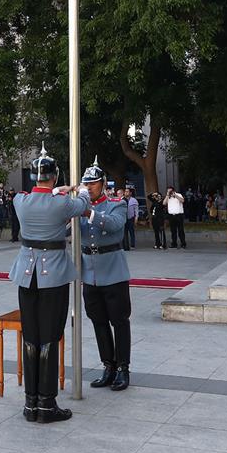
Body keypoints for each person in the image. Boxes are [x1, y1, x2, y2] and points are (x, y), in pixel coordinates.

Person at [10, 145, 89, 423]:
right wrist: (74, 190)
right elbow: (85, 205)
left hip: (26, 275)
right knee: (49, 338)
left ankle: (30, 402)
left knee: (30, 336)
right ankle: (47, 403)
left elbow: (41, 197)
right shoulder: (62, 204)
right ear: (54, 177)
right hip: (52, 276)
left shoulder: (20, 201)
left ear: (33, 177)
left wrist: (57, 191)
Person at [79, 159, 133, 392]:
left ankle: (123, 368)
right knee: (98, 321)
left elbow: (114, 226)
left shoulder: (116, 204)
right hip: (89, 272)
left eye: (93, 183)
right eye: (86, 184)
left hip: (113, 270)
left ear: (102, 184)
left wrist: (89, 211)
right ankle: (108, 366)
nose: (89, 187)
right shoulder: (78, 206)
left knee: (119, 321)